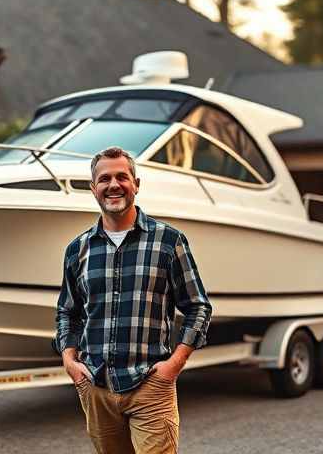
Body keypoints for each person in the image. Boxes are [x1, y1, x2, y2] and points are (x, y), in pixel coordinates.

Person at [55, 146, 212, 453]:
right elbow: (67, 311)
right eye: (104, 179)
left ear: (136, 184)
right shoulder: (78, 249)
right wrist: (69, 361)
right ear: (93, 189)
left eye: (122, 177)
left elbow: (198, 307)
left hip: (151, 385)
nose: (113, 185)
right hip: (96, 386)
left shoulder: (168, 241)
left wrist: (173, 366)